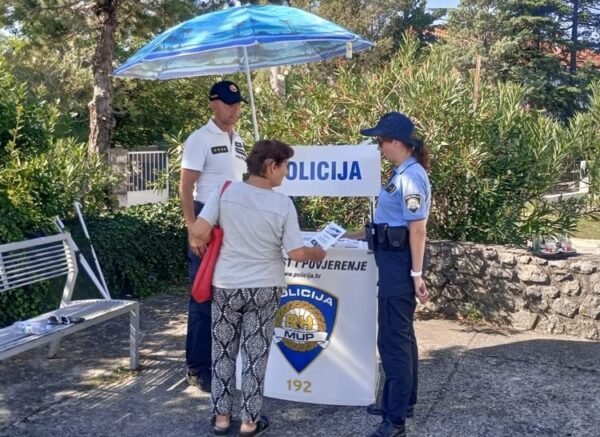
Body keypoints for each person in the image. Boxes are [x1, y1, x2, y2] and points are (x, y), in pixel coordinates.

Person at [190, 139, 326, 437]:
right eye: (285, 166)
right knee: (254, 355)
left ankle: (221, 419)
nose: (286, 173)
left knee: (222, 353)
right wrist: (317, 253)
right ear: (271, 166)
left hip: (226, 285)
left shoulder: (225, 191)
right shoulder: (282, 204)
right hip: (265, 286)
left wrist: (209, 238)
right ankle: (250, 423)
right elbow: (296, 253)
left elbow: (198, 231)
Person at [356, 112, 431, 437]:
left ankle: (394, 419)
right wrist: (346, 234)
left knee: (392, 340)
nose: (379, 147)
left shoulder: (410, 178)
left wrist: (416, 274)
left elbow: (417, 230)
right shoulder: (402, 173)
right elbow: (388, 223)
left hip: (398, 265)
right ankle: (403, 401)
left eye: (381, 141)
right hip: (393, 261)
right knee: (402, 336)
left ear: (397, 142)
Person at [179, 80, 248, 392]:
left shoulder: (240, 140)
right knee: (202, 297)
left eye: (238, 104)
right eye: (227, 103)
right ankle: (197, 368)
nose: (234, 109)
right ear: (212, 103)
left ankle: (222, 360)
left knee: (229, 296)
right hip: (206, 221)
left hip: (233, 222)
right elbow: (185, 187)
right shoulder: (200, 139)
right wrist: (193, 229)